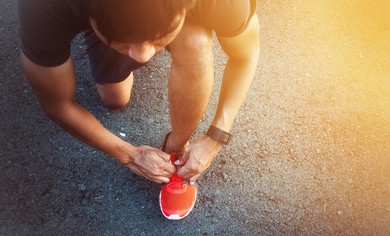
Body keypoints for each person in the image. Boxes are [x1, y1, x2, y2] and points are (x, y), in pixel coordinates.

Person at [17, 0, 260, 218]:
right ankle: (131, 34)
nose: (144, 56)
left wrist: (217, 136)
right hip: (94, 14)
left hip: (173, 17)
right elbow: (57, 104)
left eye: (157, 38)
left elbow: (246, 55)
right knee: (115, 98)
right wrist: (128, 154)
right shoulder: (42, 7)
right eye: (124, 41)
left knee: (195, 41)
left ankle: (175, 147)